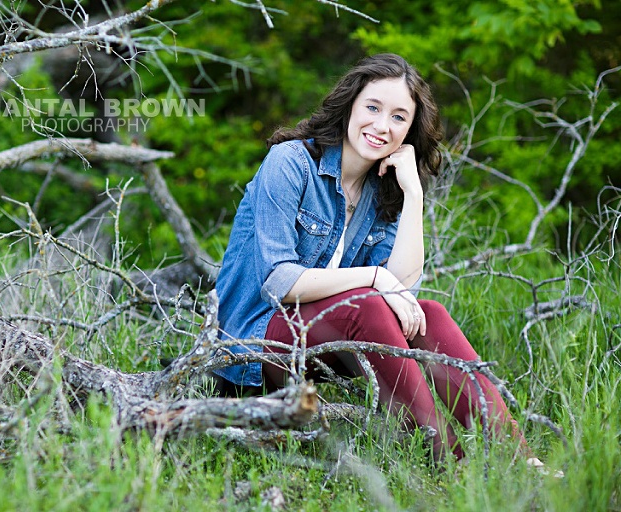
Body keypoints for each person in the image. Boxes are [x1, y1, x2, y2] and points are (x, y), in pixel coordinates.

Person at [213, 53, 547, 467]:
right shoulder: (292, 164)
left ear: (409, 130)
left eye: (398, 117)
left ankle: (520, 461)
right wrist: (374, 278)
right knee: (369, 301)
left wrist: (414, 194)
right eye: (372, 108)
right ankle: (451, 464)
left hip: (322, 341)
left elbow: (403, 295)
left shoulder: (380, 191)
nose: (381, 125)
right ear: (350, 104)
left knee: (430, 313)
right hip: (254, 344)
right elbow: (280, 281)